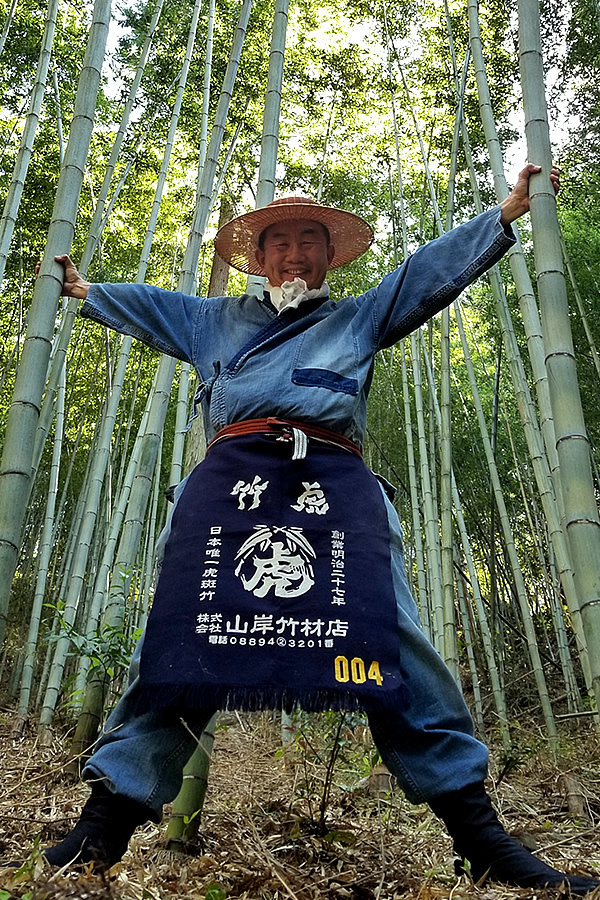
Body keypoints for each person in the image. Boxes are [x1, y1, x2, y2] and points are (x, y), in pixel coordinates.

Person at [34, 165, 599, 895]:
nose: (294, 254)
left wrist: (504, 214)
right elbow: (146, 304)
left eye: (309, 240)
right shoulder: (212, 321)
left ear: (329, 256)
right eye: (280, 242)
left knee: (394, 641)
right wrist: (89, 294)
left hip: (334, 492)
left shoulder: (359, 316)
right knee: (186, 640)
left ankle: (479, 834)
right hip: (229, 495)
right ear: (257, 256)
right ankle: (104, 827)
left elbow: (424, 275)